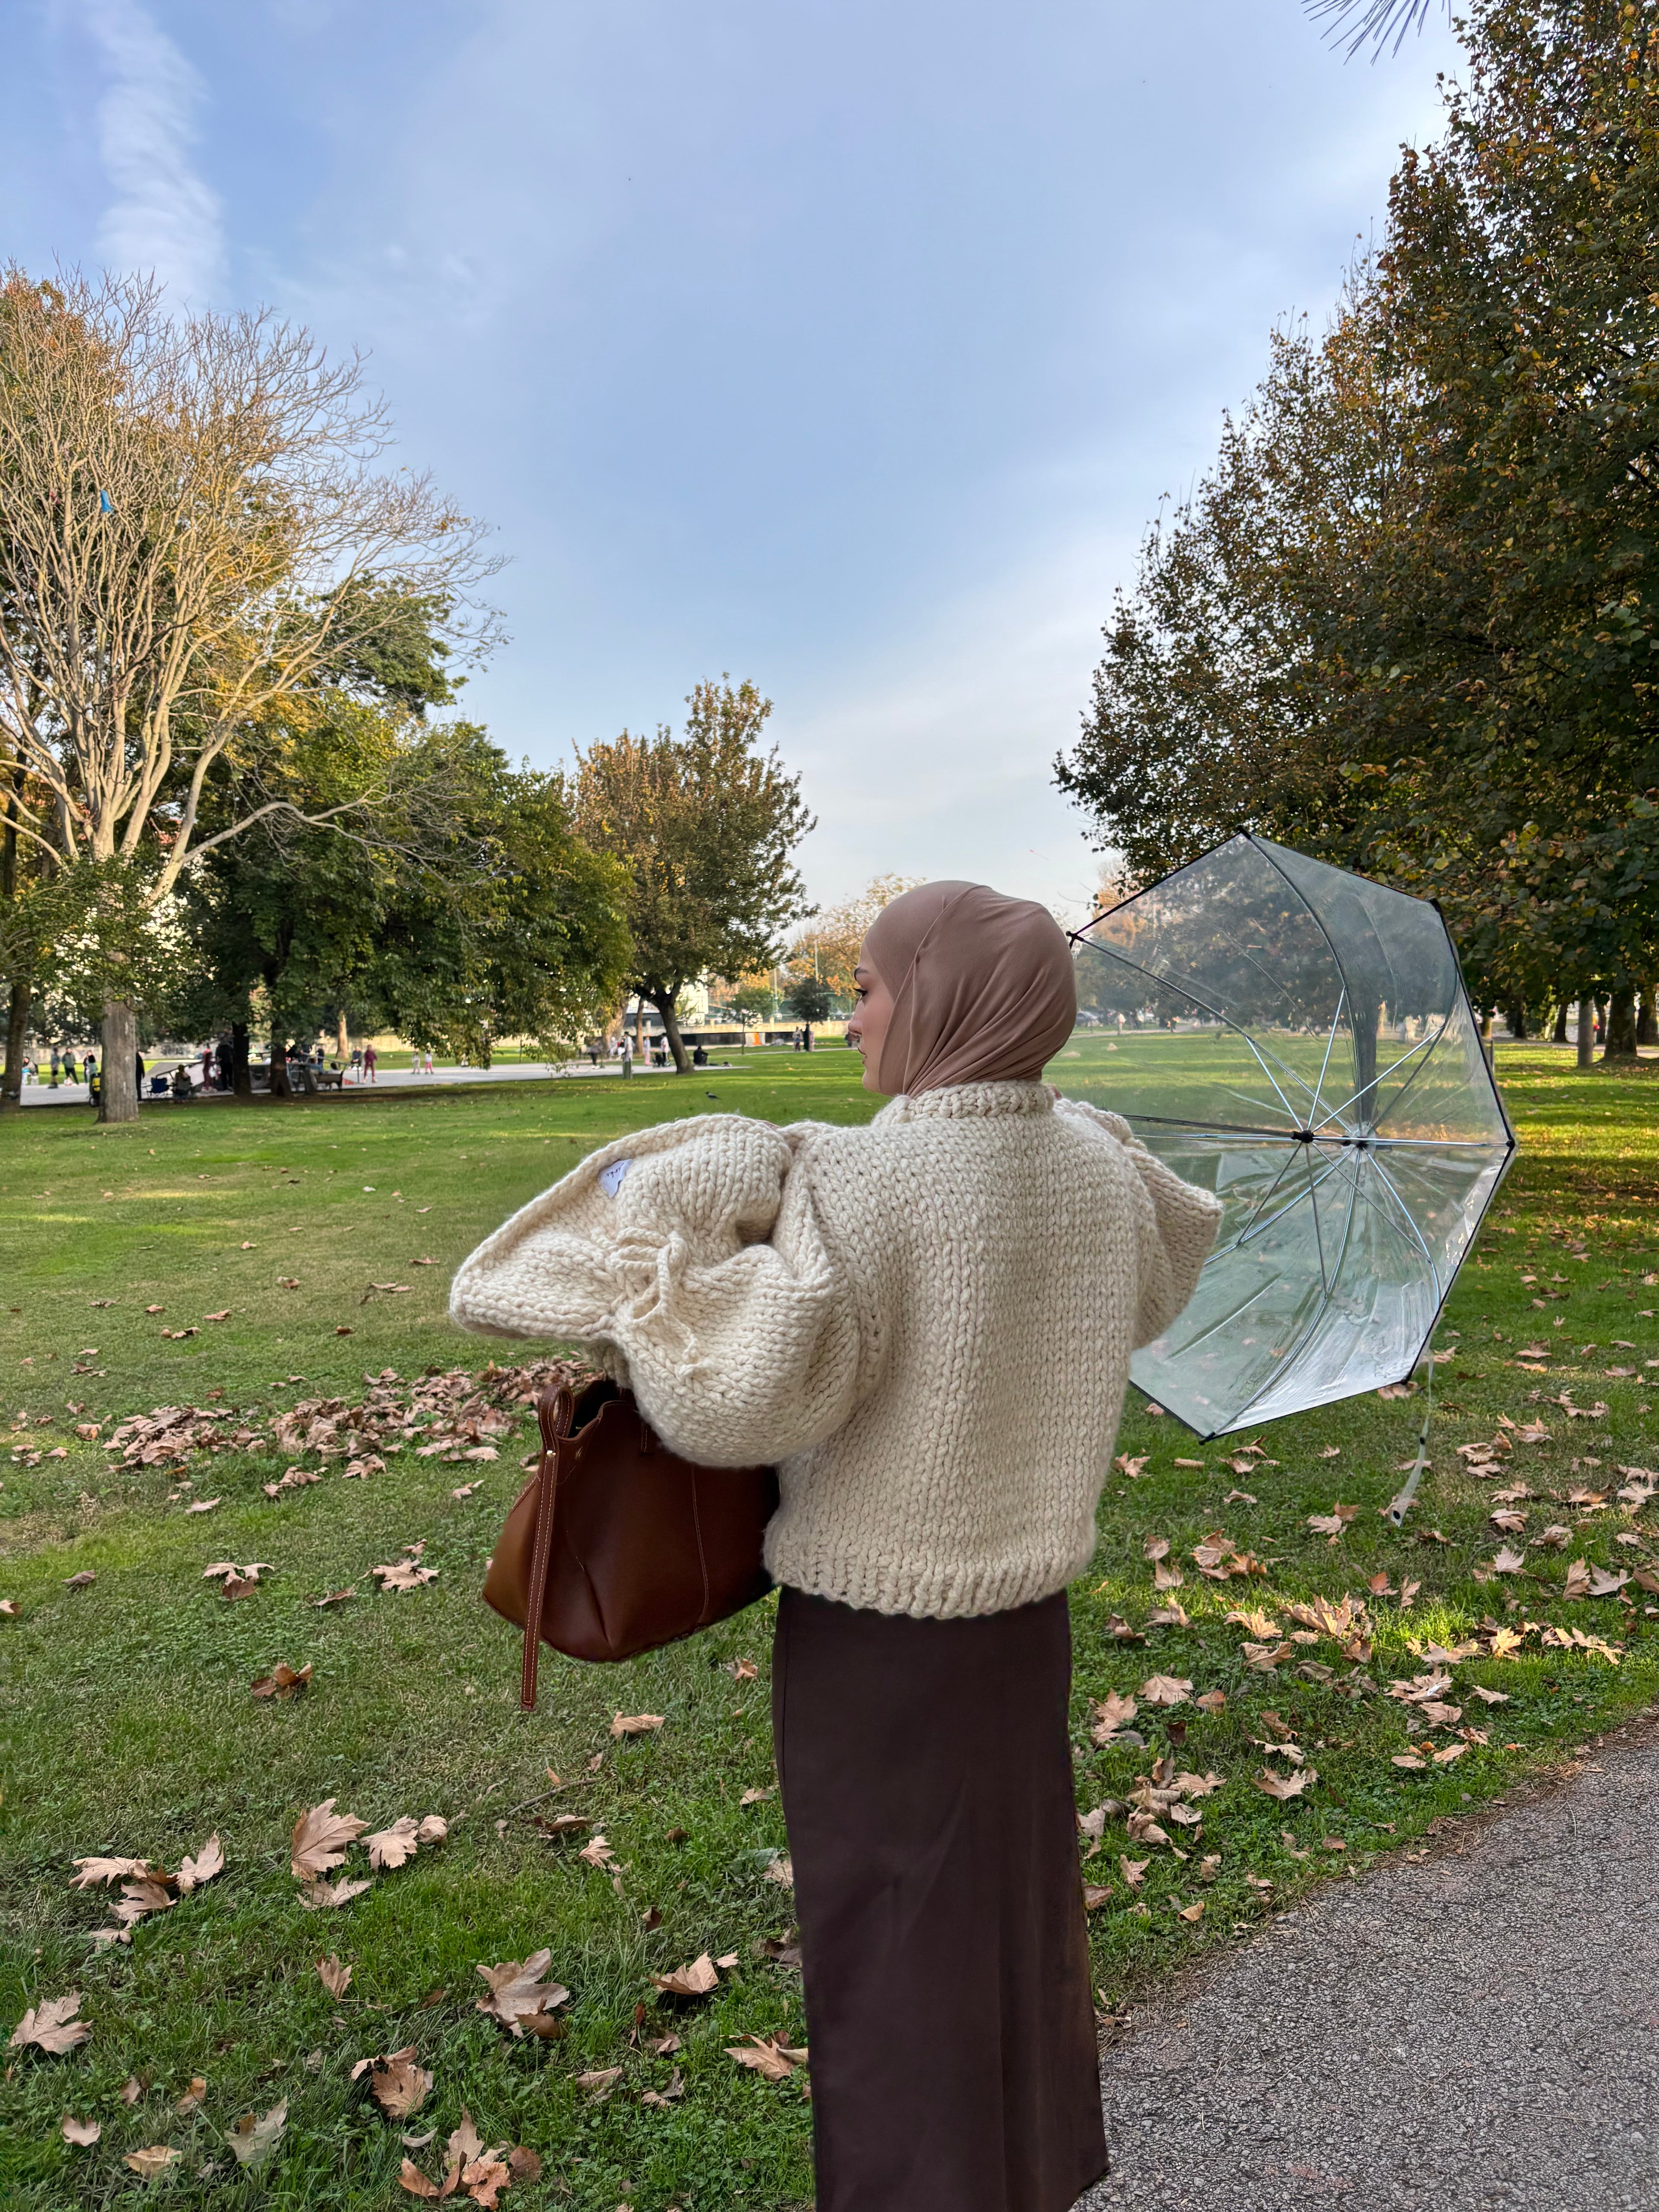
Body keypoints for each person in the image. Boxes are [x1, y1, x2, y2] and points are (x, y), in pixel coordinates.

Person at [450, 879, 1221, 2212]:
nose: (853, 1018)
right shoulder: (1103, 1164)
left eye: (868, 987)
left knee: (891, 1960)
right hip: (1027, 1630)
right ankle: (1027, 2177)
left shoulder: (855, 1179)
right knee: (1009, 1932)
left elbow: (728, 1402)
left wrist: (692, 1211)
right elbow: (1169, 1262)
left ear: (935, 997)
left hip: (879, 1653)